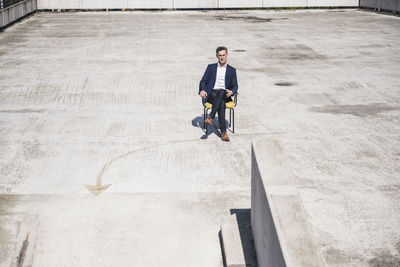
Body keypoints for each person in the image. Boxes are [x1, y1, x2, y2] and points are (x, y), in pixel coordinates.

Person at [199, 46, 238, 141]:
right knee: (221, 101)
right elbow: (203, 81)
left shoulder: (232, 70)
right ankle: (223, 132)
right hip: (212, 94)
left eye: (224, 55)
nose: (222, 57)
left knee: (222, 94)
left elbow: (235, 85)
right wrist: (202, 90)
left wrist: (232, 91)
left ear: (227, 55)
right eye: (220, 55)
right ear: (217, 56)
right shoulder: (210, 67)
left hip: (225, 94)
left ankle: (211, 117)